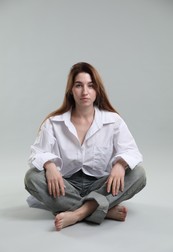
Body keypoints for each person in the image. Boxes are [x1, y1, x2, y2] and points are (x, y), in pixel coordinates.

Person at [24, 62, 146, 231]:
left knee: (138, 173)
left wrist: (120, 164)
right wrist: (49, 165)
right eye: (78, 85)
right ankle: (102, 209)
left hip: (101, 184)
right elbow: (36, 153)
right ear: (70, 90)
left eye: (90, 85)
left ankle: (79, 213)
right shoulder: (53, 123)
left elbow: (132, 152)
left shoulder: (113, 121)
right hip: (65, 185)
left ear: (97, 90)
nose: (85, 92)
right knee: (32, 177)